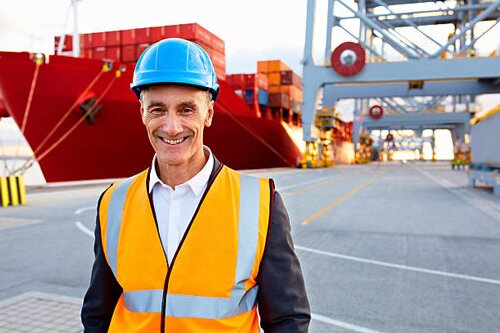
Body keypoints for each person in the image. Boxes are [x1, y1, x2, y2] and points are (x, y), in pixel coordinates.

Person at [81, 38, 310, 333]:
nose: (172, 127)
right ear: (141, 113)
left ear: (209, 114)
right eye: (158, 109)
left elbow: (287, 320)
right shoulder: (114, 203)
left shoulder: (261, 203)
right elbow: (97, 314)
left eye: (187, 110)